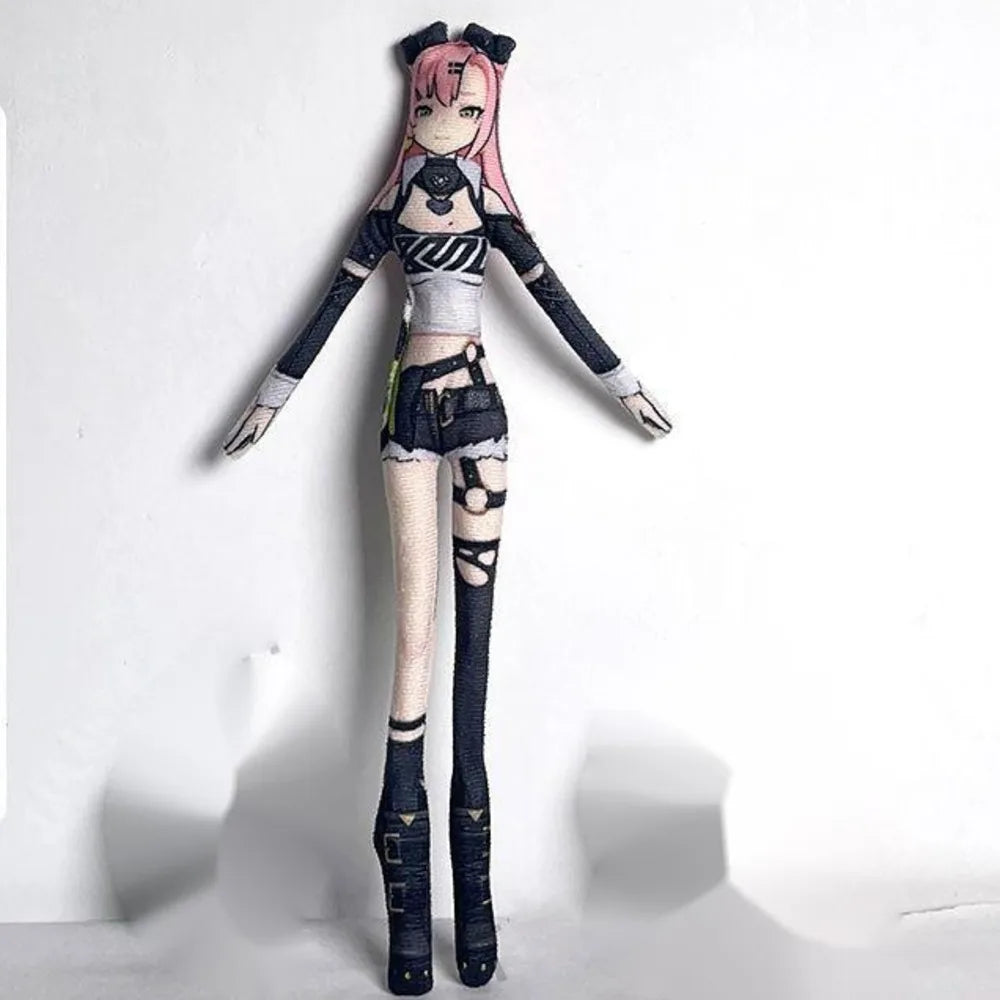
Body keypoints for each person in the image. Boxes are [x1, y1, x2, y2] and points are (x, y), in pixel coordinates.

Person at [223, 20, 671, 995]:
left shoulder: (490, 209)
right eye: (432, 101)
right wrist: (270, 396)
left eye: (465, 106)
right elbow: (327, 309)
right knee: (413, 644)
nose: (445, 118)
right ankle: (405, 898)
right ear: (413, 104)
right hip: (407, 417)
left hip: (478, 412)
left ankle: (475, 916)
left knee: (475, 649)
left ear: (486, 113)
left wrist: (623, 382)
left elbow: (556, 300)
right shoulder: (391, 209)